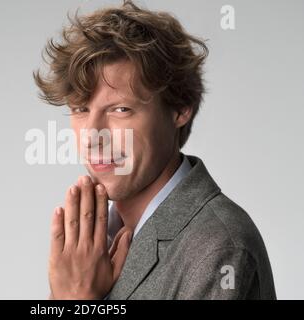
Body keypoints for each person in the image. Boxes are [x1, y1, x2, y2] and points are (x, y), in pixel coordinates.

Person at [33, 0, 276, 299]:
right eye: (81, 108)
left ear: (180, 108)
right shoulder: (88, 248)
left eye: (121, 109)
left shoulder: (219, 250)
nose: (92, 136)